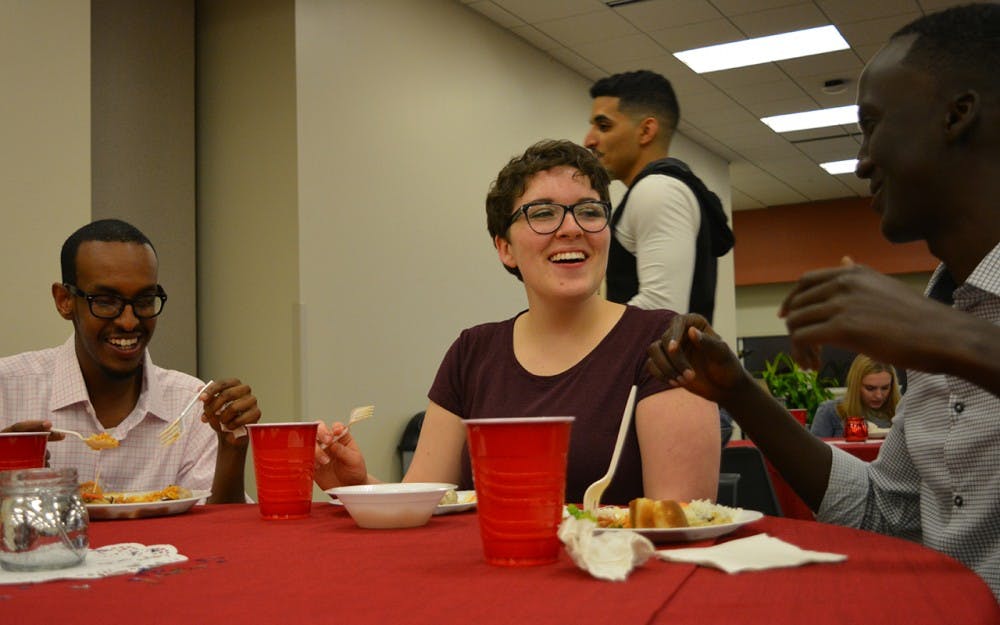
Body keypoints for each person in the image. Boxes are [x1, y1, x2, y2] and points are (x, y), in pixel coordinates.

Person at [646, 3, 1000, 599]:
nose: (862, 161)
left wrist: (953, 342)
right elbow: (884, 515)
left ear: (957, 114)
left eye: (873, 124)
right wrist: (740, 393)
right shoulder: (946, 314)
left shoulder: (943, 332)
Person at [315, 140, 720, 505]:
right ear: (505, 248)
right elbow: (428, 502)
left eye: (589, 211)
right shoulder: (472, 352)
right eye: (542, 213)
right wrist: (354, 483)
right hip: (497, 578)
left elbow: (682, 523)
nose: (571, 228)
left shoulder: (664, 343)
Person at [0, 219, 261, 503]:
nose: (128, 321)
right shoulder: (8, 391)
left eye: (145, 300)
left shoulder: (191, 405)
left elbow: (222, 534)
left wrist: (232, 449)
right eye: (105, 301)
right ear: (64, 300)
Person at [584, 70, 733, 321]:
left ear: (646, 131)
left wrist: (583, 338)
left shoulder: (657, 191)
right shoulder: (661, 189)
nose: (589, 140)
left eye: (603, 126)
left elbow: (662, 310)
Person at [810, 354, 900, 437]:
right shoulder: (830, 411)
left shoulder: (901, 413)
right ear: (855, 385)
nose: (878, 396)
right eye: (870, 388)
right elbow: (813, 452)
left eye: (885, 388)